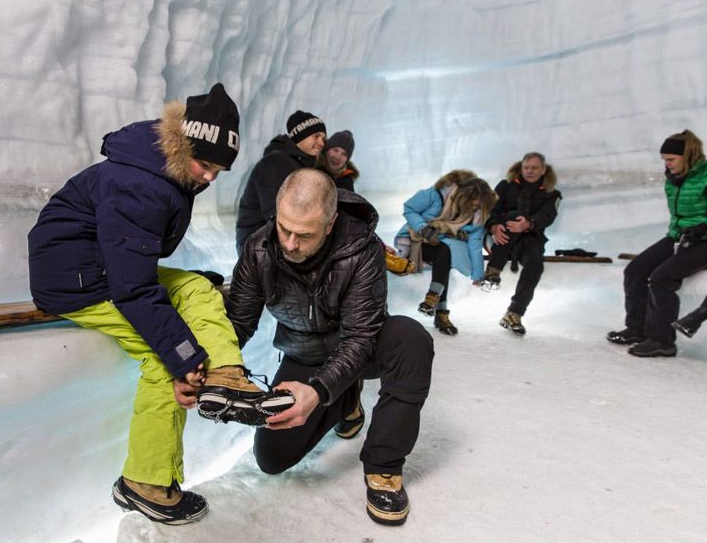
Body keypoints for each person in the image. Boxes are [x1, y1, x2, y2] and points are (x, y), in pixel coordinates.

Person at [28, 84, 290, 526]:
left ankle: (227, 376)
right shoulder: (141, 184)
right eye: (204, 165)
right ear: (183, 143)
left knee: (196, 288)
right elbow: (132, 289)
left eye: (219, 170)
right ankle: (143, 483)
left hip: (100, 263)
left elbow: (135, 262)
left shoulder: (164, 169)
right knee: (162, 360)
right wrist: (184, 357)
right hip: (75, 279)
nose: (209, 178)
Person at [225, 168, 434, 526]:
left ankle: (384, 467)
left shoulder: (361, 247)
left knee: (410, 338)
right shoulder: (258, 249)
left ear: (331, 221)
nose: (290, 243)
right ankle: (345, 400)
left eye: (304, 234)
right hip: (304, 352)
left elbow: (361, 336)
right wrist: (214, 366)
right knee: (272, 460)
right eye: (284, 228)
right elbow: (239, 323)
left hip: (361, 347)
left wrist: (318, 391)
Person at [608, 130, 707, 356]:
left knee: (662, 277)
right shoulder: (673, 178)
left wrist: (704, 228)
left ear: (689, 156)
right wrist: (678, 235)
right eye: (664, 160)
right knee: (635, 271)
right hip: (679, 235)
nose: (667, 164)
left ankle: (662, 341)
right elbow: (677, 215)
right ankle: (637, 328)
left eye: (671, 159)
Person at [393, 170, 496, 335]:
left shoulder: (477, 216)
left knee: (445, 254)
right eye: (472, 203)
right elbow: (409, 208)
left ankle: (432, 301)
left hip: (443, 245)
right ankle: (440, 312)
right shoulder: (436, 195)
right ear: (463, 196)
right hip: (414, 240)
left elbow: (475, 244)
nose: (474, 207)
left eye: (478, 205)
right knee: (445, 253)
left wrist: (478, 274)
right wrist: (423, 228)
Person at [482, 152, 562, 335]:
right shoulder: (505, 186)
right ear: (521, 167)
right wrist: (493, 226)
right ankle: (493, 271)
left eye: (534, 168)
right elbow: (489, 210)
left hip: (529, 239)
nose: (529, 171)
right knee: (513, 216)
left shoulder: (552, 194)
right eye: (526, 167)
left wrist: (528, 224)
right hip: (501, 238)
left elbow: (547, 216)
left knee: (535, 264)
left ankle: (514, 313)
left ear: (543, 170)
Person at [234, 110, 327, 252]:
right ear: (299, 136)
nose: (321, 143)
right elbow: (275, 215)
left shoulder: (300, 166)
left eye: (323, 139)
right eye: (316, 136)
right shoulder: (275, 163)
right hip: (258, 247)